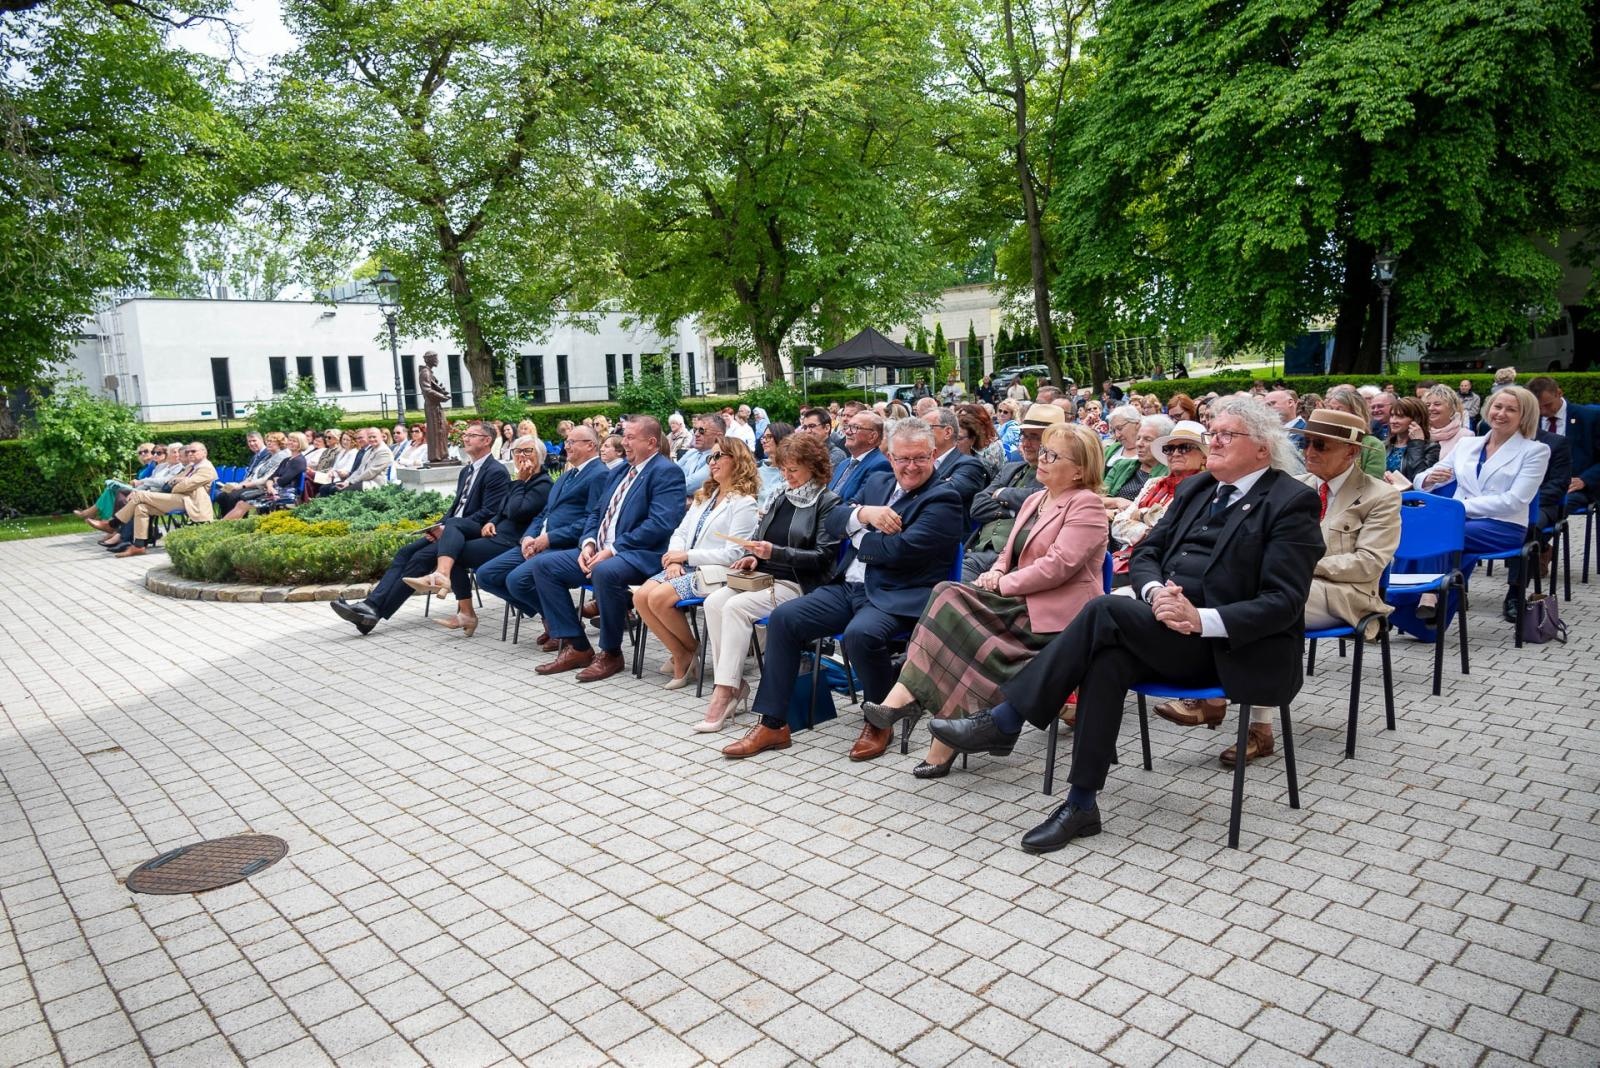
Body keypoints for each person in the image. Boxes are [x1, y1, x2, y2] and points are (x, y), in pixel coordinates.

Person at [931, 397, 1323, 854]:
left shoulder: (1290, 501)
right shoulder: (1197, 489)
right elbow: (1147, 553)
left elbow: (1283, 602)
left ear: (1262, 448)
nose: (1211, 442)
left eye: (1224, 435)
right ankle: (1081, 804)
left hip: (1230, 648)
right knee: (1108, 660)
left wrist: (1199, 619)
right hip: (1165, 629)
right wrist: (1156, 595)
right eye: (1212, 432)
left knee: (1104, 610)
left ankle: (1007, 718)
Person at [863, 424, 1110, 778]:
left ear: (1079, 470)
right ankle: (920, 719)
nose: (1041, 458)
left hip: (1056, 619)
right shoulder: (1036, 499)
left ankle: (909, 704)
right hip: (1020, 603)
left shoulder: (1087, 504)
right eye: (1043, 451)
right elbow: (1008, 552)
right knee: (949, 608)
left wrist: (1002, 584)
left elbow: (1058, 567)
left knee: (953, 612)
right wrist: (995, 572)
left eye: (1052, 455)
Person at [1156, 408, 1400, 763]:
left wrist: (1294, 565)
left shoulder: (1381, 496)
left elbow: (1369, 563)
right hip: (1290, 581)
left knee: (1267, 602)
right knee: (1240, 592)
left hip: (1347, 594)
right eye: (1306, 442)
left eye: (1321, 445)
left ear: (1351, 452)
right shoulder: (1295, 485)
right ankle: (1221, 701)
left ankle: (1247, 719)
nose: (1310, 451)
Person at [721, 420, 964, 761]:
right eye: (902, 458)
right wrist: (865, 514)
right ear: (890, 457)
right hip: (847, 587)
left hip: (896, 595)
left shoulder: (944, 498)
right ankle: (773, 723)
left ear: (934, 455)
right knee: (785, 619)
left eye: (919, 458)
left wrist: (858, 533)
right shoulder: (878, 481)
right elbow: (834, 521)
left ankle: (879, 721)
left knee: (859, 636)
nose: (910, 466)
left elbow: (900, 551)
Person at [695, 433, 840, 732]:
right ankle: (733, 683)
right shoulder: (780, 496)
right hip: (765, 578)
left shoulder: (828, 502)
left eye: (794, 470)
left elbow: (823, 557)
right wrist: (753, 557)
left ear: (814, 467)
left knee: (735, 607)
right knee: (714, 602)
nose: (787, 476)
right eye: (783, 469)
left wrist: (775, 553)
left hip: (799, 584)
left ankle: (725, 692)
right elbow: (761, 540)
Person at [531, 416, 688, 682]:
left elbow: (660, 524)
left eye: (630, 438)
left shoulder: (666, 471)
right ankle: (578, 646)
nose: (624, 442)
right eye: (624, 436)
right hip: (603, 550)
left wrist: (613, 549)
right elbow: (596, 513)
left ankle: (611, 653)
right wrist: (588, 543)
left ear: (651, 442)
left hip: (641, 554)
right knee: (543, 566)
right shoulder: (619, 470)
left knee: (605, 571)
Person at [329, 424, 510, 634]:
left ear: (487, 440)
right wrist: (438, 526)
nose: (466, 438)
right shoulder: (466, 470)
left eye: (472, 435)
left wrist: (449, 527)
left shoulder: (496, 471)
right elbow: (456, 508)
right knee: (405, 552)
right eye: (465, 434)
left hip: (472, 533)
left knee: (420, 558)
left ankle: (373, 610)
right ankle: (370, 608)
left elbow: (490, 512)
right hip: (451, 530)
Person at [1410, 386, 1549, 625]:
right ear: (1488, 409)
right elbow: (1424, 477)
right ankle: (1418, 601)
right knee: (1416, 532)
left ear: (1524, 416)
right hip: (1460, 522)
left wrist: (1460, 508)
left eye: (1511, 410)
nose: (1501, 413)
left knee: (1438, 532)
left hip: (1503, 527)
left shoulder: (1535, 451)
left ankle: (1428, 594)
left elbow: (1515, 500)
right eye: (1497, 406)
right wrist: (1429, 479)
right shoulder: (1467, 444)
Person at [635, 438, 761, 687]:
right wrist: (674, 560)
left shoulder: (744, 503)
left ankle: (686, 655)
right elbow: (680, 532)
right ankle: (685, 651)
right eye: (710, 457)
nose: (712, 462)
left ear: (737, 460)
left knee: (658, 598)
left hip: (715, 572)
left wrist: (687, 557)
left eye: (718, 456)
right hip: (685, 565)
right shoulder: (705, 496)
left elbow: (734, 554)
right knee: (640, 597)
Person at [402, 437, 552, 636]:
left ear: (540, 456)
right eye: (517, 451)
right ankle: (446, 581)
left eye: (528, 451)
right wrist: (492, 522)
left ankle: (461, 605)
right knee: (453, 527)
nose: (521, 456)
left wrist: (520, 482)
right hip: (497, 533)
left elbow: (516, 512)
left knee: (455, 555)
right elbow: (502, 510)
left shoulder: (542, 484)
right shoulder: (520, 482)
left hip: (513, 542)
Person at [474, 427, 609, 646]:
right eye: (566, 441)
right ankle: (555, 619)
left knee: (517, 580)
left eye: (572, 442)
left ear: (590, 445)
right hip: (538, 542)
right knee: (486, 575)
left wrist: (550, 538)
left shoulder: (599, 474)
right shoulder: (567, 475)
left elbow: (592, 520)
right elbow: (544, 513)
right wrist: (528, 537)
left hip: (563, 545)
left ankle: (564, 629)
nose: (566, 446)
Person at [962, 404, 1059, 580]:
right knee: (947, 589)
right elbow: (977, 506)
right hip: (979, 553)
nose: (1026, 443)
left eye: (1034, 437)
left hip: (1020, 562)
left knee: (968, 593)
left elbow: (1044, 499)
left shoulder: (1060, 476)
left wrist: (1003, 493)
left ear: (1054, 443)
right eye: (1024, 436)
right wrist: (1015, 511)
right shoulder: (1011, 469)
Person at [1107, 419, 1208, 575]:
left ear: (1204, 456)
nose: (1175, 453)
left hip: (1163, 568)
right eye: (1170, 448)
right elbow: (1118, 525)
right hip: (1126, 560)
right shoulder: (1154, 483)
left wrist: (1140, 515)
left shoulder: (1205, 489)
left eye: (1185, 448)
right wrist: (1149, 524)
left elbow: (1170, 534)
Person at [89, 443, 219, 557]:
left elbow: (182, 486)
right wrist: (178, 481)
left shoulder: (206, 468)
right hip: (180, 498)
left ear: (204, 452)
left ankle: (112, 524)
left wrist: (178, 482)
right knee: (141, 507)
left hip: (190, 502)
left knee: (140, 495)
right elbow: (170, 482)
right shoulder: (191, 467)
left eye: (193, 451)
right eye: (188, 451)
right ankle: (139, 546)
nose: (189, 453)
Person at [1527, 376, 1600, 509]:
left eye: (1547, 405)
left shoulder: (1589, 418)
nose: (1543, 411)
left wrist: (1585, 480)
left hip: (1574, 488)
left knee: (1546, 506)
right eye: (1538, 407)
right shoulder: (1529, 420)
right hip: (1536, 485)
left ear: (1559, 393)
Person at [222, 433, 307, 518]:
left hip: (284, 493)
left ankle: (223, 524)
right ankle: (223, 523)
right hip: (273, 490)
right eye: (290, 440)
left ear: (301, 443)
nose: (291, 443)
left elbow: (282, 481)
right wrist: (270, 486)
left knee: (242, 504)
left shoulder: (299, 461)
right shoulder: (287, 460)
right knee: (240, 503)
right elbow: (271, 477)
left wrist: (274, 480)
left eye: (294, 441)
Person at [925, 408, 989, 519]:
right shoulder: (920, 460)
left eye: (927, 428)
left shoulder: (970, 465)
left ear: (947, 432)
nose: (920, 433)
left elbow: (947, 493)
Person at [1320, 387, 1385, 478]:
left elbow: (1373, 482)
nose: (1333, 413)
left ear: (1356, 413)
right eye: (1330, 409)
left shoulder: (1373, 445)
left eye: (1339, 409)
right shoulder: (1320, 439)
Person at [215, 432, 286, 514]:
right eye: (268, 441)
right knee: (223, 494)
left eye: (272, 441)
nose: (269, 443)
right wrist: (239, 485)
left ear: (279, 443)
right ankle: (225, 519)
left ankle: (233, 520)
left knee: (232, 496)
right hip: (251, 484)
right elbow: (252, 474)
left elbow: (265, 479)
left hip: (262, 487)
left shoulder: (279, 456)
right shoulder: (267, 456)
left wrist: (241, 486)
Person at [1105, 414, 1172, 501]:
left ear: (1164, 444)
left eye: (1147, 439)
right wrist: (1116, 502)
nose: (1139, 444)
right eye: (1138, 438)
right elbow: (1098, 497)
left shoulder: (1170, 474)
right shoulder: (1120, 465)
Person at [828, 410, 890, 499]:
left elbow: (858, 502)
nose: (847, 432)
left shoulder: (881, 465)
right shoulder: (843, 464)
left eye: (855, 427)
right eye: (847, 426)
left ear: (872, 436)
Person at [1383, 396, 1439, 487]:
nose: (1393, 421)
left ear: (1417, 420)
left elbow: (1420, 480)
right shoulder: (1384, 445)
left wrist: (1417, 444)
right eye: (1392, 415)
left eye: (1400, 416)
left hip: (1409, 495)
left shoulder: (1431, 448)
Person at [329, 427, 392, 492]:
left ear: (381, 437)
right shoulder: (369, 450)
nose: (372, 439)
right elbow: (359, 469)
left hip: (374, 484)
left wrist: (351, 482)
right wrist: (347, 481)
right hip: (363, 481)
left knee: (339, 490)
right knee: (330, 488)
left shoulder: (384, 451)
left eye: (374, 437)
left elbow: (370, 472)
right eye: (369, 437)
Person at [1422, 383, 1469, 460]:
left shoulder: (1465, 436)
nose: (1430, 408)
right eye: (1427, 405)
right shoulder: (1420, 433)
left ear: (1452, 408)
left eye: (1437, 404)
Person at [678, 413, 724, 489]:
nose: (696, 434)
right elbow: (670, 472)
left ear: (719, 436)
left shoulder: (719, 457)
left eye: (701, 430)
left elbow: (690, 486)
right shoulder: (691, 452)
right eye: (695, 430)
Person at [957, 404, 1003, 476]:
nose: (961, 421)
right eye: (960, 417)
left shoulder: (994, 446)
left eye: (966, 418)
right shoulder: (959, 441)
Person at [755, 422, 793, 505]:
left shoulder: (795, 471)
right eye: (763, 437)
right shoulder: (757, 470)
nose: (764, 441)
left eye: (769, 437)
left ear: (782, 438)